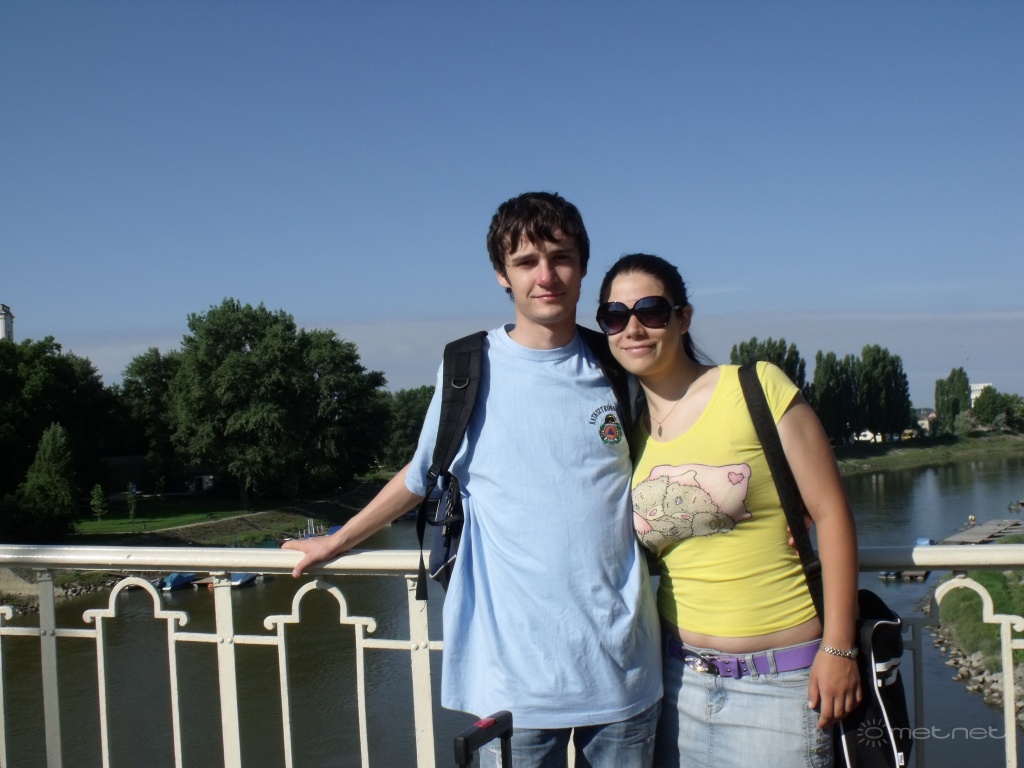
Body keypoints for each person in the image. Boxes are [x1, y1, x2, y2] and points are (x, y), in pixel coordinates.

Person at [284, 193, 662, 768]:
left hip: (624, 675)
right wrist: (336, 540)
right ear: (502, 275)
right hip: (514, 684)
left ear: (583, 265)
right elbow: (421, 475)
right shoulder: (468, 367)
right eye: (526, 262)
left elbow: (682, 451)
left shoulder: (618, 363)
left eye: (560, 257)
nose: (546, 276)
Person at [595, 253, 861, 768]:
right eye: (615, 316)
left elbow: (832, 514)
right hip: (675, 686)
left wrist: (839, 648)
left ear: (683, 318)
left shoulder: (755, 387)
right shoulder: (628, 435)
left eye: (651, 311)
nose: (633, 328)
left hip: (779, 687)